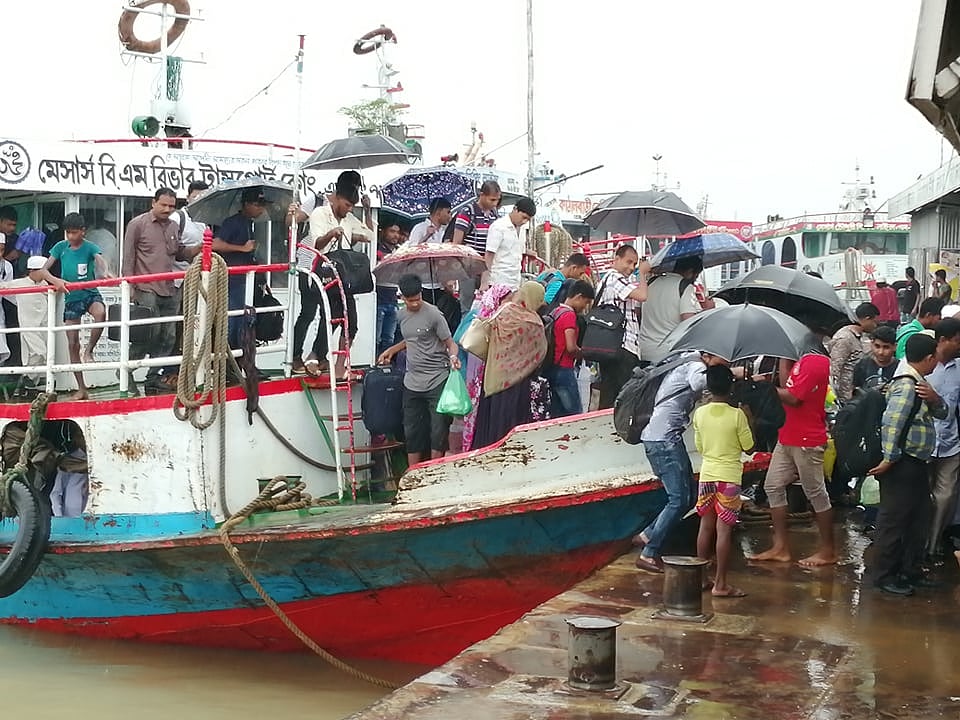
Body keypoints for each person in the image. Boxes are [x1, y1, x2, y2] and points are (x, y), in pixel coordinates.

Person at [634, 350, 736, 573]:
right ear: (709, 354)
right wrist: (731, 376)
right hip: (663, 440)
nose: (727, 363)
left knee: (689, 495)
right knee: (679, 499)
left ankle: (648, 535)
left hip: (662, 437)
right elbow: (702, 383)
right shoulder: (695, 366)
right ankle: (648, 553)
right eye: (724, 359)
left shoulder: (685, 360)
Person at [869, 333, 947, 595]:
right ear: (929, 358)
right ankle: (883, 576)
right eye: (935, 358)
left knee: (917, 518)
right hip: (902, 463)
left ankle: (908, 570)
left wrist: (935, 398)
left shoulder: (921, 384)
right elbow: (892, 424)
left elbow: (943, 413)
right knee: (894, 520)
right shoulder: (906, 385)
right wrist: (889, 459)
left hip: (916, 462)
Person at [749, 347, 837, 566]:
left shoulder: (815, 361)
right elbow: (789, 384)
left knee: (815, 492)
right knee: (773, 486)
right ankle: (780, 547)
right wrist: (783, 357)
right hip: (788, 435)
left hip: (806, 439)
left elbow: (794, 397)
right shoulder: (800, 360)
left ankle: (828, 550)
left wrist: (766, 387)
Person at [377, 274, 461, 467]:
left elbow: (450, 343)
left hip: (437, 379)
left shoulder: (434, 315)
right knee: (412, 430)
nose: (415, 303)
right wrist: (392, 350)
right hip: (412, 382)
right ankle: (413, 470)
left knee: (438, 430)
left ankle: (434, 470)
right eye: (410, 300)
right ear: (402, 298)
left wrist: (453, 357)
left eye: (418, 299)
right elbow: (412, 339)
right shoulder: (401, 315)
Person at [123, 187, 201, 393]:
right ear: (153, 203)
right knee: (149, 333)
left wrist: (199, 248)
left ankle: (152, 377)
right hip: (145, 287)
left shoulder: (174, 226)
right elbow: (128, 257)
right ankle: (125, 371)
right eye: (163, 205)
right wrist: (129, 287)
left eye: (171, 206)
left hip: (170, 287)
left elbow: (179, 253)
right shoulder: (137, 224)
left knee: (169, 336)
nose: (167, 209)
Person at [694, 365, 755, 598]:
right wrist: (750, 419)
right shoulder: (737, 415)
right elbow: (749, 447)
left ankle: (701, 579)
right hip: (729, 477)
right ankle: (720, 585)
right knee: (723, 531)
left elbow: (700, 447)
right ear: (731, 387)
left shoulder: (700, 414)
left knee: (705, 527)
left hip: (707, 475)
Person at [305, 176, 374, 380]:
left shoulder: (349, 218)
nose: (349, 209)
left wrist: (367, 211)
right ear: (336, 198)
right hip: (324, 274)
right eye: (346, 205)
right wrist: (331, 233)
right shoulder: (319, 213)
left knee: (351, 324)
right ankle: (314, 356)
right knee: (331, 317)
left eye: (352, 206)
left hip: (344, 278)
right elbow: (316, 244)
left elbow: (370, 235)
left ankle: (338, 366)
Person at [471, 281, 549, 449]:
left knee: (492, 426)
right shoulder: (532, 322)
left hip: (493, 378)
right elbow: (540, 352)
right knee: (510, 429)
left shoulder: (503, 312)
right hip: (517, 384)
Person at [48, 213, 112, 400]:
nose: (70, 236)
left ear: (83, 231)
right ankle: (81, 388)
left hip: (89, 292)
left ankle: (89, 349)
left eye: (74, 232)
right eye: (68, 232)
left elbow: (100, 259)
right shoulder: (60, 247)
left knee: (100, 313)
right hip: (71, 297)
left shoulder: (89, 246)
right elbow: (43, 270)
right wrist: (56, 280)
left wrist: (105, 271)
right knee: (72, 343)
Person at [212, 186, 270, 351]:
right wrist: (242, 248)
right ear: (246, 204)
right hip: (232, 281)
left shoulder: (249, 223)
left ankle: (241, 357)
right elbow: (215, 244)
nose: (261, 208)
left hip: (246, 280)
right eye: (257, 204)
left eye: (262, 205)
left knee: (245, 320)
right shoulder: (233, 222)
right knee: (233, 321)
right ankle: (228, 357)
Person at [596, 245, 650, 409]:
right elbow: (642, 296)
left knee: (610, 394)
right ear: (616, 259)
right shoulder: (615, 278)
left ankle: (606, 423)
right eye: (628, 262)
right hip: (623, 346)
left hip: (610, 347)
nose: (631, 267)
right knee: (624, 397)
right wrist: (642, 273)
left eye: (634, 264)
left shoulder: (606, 280)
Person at [925, 318, 960, 564]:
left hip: (951, 444)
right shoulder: (923, 364)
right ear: (943, 340)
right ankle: (918, 542)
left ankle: (933, 544)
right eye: (957, 341)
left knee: (945, 496)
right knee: (922, 495)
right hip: (924, 444)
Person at [3, 255, 66, 387]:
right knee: (38, 352)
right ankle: (28, 381)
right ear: (32, 271)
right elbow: (4, 288)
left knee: (43, 354)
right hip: (29, 327)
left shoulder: (45, 285)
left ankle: (28, 383)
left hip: (43, 326)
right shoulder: (19, 284)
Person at [638, 256, 709, 366]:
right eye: (696, 275)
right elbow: (688, 321)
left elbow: (638, 312)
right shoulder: (685, 286)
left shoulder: (650, 283)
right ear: (690, 271)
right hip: (668, 355)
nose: (695, 279)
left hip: (644, 351)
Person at [407, 198, 461, 332]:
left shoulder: (444, 232)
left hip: (441, 284)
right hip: (424, 284)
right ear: (438, 212)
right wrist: (426, 236)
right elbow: (411, 253)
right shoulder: (419, 228)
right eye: (448, 212)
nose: (450, 216)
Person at [545, 279, 595, 417]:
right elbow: (571, 347)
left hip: (552, 367)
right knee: (574, 413)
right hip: (564, 369)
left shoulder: (556, 311)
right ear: (578, 297)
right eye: (585, 302)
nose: (584, 307)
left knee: (557, 412)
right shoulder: (569, 315)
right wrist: (585, 353)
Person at [451, 180, 501, 312]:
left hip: (487, 266)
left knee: (487, 306)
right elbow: (457, 243)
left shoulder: (494, 214)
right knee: (466, 306)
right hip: (468, 267)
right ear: (482, 195)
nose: (494, 203)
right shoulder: (467, 212)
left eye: (497, 200)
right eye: (492, 199)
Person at [829, 302, 878, 403]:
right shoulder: (845, 339)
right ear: (867, 319)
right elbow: (834, 370)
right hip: (844, 397)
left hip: (855, 395)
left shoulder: (860, 337)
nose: (875, 326)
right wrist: (834, 399)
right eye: (875, 322)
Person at [484, 197, 537, 291]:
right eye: (523, 217)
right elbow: (489, 255)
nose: (524, 221)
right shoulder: (499, 227)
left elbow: (516, 248)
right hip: (498, 281)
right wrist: (484, 281)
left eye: (528, 220)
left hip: (515, 282)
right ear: (515, 209)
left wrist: (528, 252)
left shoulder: (523, 229)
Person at [375, 221, 402, 358]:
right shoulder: (376, 249)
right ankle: (375, 362)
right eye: (392, 231)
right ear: (384, 232)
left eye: (397, 232)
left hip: (393, 297)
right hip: (379, 296)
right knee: (376, 337)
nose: (395, 235)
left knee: (389, 338)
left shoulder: (399, 250)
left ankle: (384, 362)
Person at [852, 324, 898, 390]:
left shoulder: (899, 368)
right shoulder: (862, 365)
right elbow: (854, 390)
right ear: (871, 344)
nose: (880, 352)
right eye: (877, 346)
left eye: (886, 347)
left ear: (894, 347)